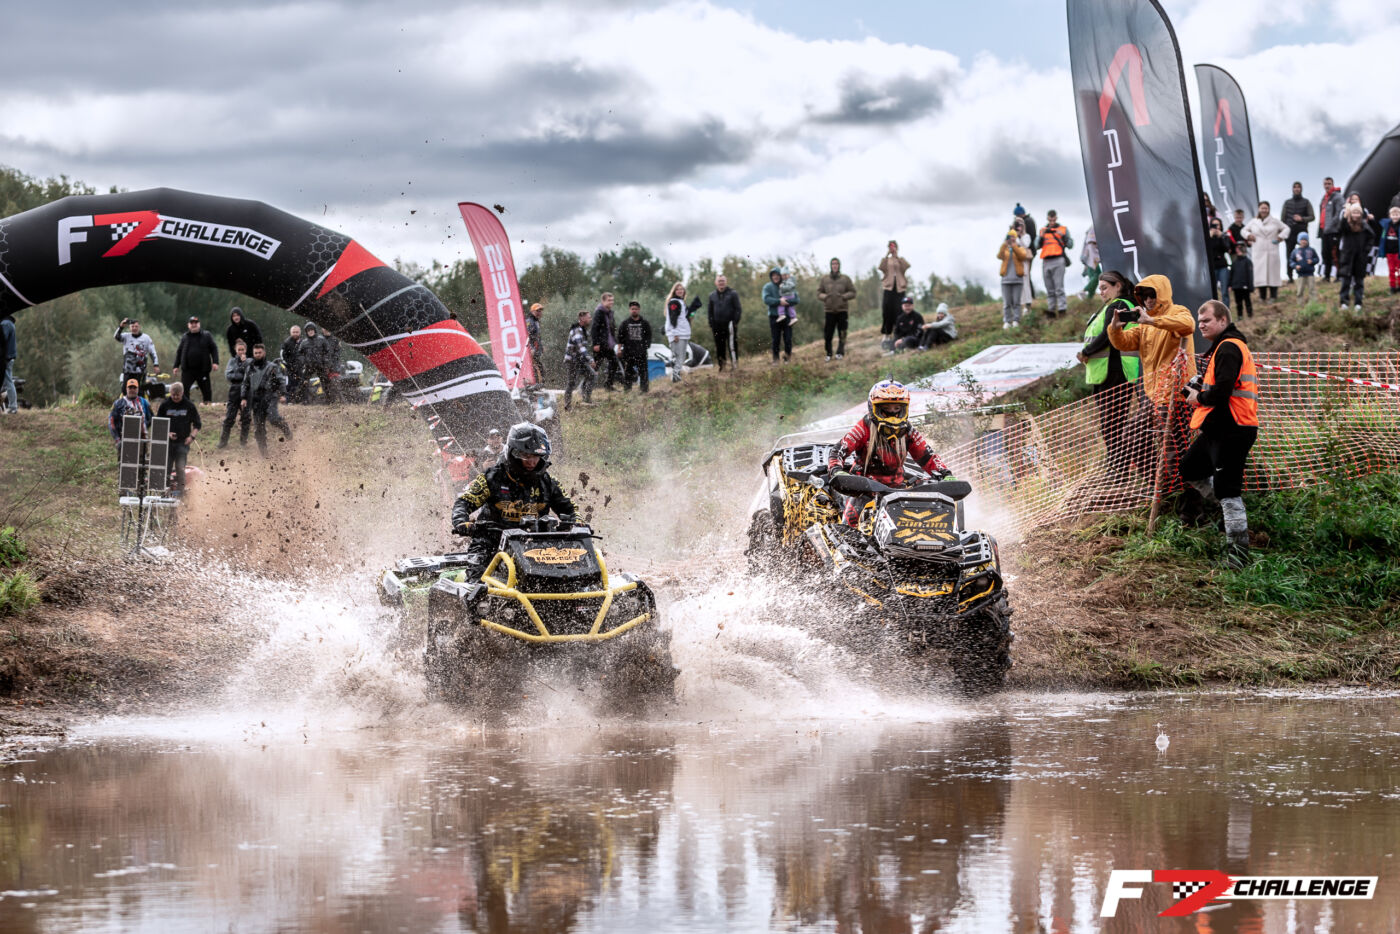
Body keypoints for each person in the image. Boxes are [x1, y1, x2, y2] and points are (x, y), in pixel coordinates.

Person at [1182, 300, 1258, 569]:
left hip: (1233, 428)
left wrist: (1198, 397)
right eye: (1199, 321)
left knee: (1228, 490)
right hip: (1219, 428)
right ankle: (1231, 513)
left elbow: (1223, 390)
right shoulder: (1222, 348)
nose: (1201, 325)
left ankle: (1238, 557)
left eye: (1207, 321)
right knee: (1190, 468)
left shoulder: (1228, 347)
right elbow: (1221, 385)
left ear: (1223, 321)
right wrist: (1200, 389)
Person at [450, 422, 578, 565]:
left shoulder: (548, 482)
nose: (532, 462)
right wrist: (461, 522)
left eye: (536, 456)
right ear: (513, 453)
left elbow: (570, 509)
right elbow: (464, 502)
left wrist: (578, 524)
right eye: (526, 456)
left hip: (538, 546)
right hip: (491, 543)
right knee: (477, 572)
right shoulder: (491, 478)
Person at [826, 380, 950, 527]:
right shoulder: (864, 426)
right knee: (849, 524)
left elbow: (928, 457)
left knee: (923, 516)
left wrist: (945, 473)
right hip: (864, 489)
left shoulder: (908, 430)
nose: (892, 413)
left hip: (897, 489)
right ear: (874, 408)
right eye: (886, 408)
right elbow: (838, 450)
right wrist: (836, 470)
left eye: (897, 408)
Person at [1077, 270, 1140, 472]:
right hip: (1110, 373)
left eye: (1105, 288)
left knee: (1112, 425)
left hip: (1114, 373)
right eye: (1100, 289)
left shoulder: (1118, 305)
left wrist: (1086, 351)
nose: (1101, 292)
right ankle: (1117, 467)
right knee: (1113, 425)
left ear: (1117, 286)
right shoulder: (1117, 305)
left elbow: (1107, 335)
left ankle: (1118, 470)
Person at [1106, 274, 1197, 407]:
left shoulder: (1177, 311)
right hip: (1154, 395)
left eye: (1152, 295)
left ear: (1162, 294)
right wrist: (1114, 328)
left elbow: (1189, 325)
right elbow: (1124, 343)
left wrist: (1152, 320)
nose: (1148, 300)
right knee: (1137, 422)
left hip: (1176, 395)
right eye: (1143, 296)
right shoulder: (1144, 324)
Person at [239, 344, 291, 455]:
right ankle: (264, 454)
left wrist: (282, 394)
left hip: (270, 396)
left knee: (273, 418)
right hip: (256, 399)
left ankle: (285, 428)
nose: (258, 355)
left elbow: (281, 380)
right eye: (256, 353)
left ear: (264, 353)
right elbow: (245, 383)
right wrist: (243, 398)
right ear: (253, 354)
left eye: (260, 353)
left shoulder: (272, 366)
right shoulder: (250, 368)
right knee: (258, 429)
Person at [156, 382, 201, 496]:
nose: (175, 397)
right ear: (170, 393)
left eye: (178, 395)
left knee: (180, 468)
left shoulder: (189, 405)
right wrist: (167, 433)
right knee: (166, 468)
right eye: (173, 395)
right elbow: (158, 424)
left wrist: (191, 437)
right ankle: (164, 491)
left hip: (183, 442)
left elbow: (197, 424)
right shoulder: (165, 405)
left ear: (182, 393)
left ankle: (181, 492)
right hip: (168, 443)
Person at [1242, 201, 1287, 302]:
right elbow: (1243, 231)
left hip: (1272, 250)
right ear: (1259, 209)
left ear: (1269, 209)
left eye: (1266, 208)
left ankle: (1273, 296)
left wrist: (1280, 237)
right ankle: (1262, 297)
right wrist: (1249, 235)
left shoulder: (1275, 221)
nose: (1264, 210)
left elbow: (1286, 229)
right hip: (1258, 251)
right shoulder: (1254, 222)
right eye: (1262, 208)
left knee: (1273, 274)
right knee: (1260, 274)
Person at [1337, 205, 1376, 312]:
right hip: (1347, 257)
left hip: (1360, 258)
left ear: (1361, 214)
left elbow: (1372, 237)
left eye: (1357, 213)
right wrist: (1345, 216)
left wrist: (1366, 250)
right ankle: (1344, 302)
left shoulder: (1364, 225)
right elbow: (1340, 229)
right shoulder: (1347, 225)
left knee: (1359, 281)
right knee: (1346, 281)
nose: (1356, 215)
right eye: (1354, 212)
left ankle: (1358, 303)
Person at [172, 316, 220, 404]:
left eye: (196, 323)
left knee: (206, 391)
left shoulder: (206, 335)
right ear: (188, 325)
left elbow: (214, 349)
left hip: (203, 370)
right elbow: (179, 352)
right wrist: (176, 366)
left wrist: (215, 362)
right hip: (188, 370)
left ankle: (208, 406)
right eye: (192, 323)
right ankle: (186, 406)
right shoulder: (185, 337)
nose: (194, 325)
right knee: (184, 390)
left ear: (199, 324)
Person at [817, 258, 856, 362]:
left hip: (842, 310)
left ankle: (840, 352)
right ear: (831, 266)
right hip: (829, 311)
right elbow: (818, 293)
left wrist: (844, 297)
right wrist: (825, 297)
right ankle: (829, 353)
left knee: (842, 333)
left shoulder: (845, 279)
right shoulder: (825, 279)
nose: (835, 265)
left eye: (836, 264)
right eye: (833, 264)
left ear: (839, 265)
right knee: (828, 334)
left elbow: (853, 292)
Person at [1036, 209, 1073, 318]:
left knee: (1059, 287)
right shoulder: (1043, 230)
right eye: (1050, 218)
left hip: (1058, 260)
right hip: (1046, 261)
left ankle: (1062, 310)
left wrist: (1063, 236)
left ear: (1056, 217)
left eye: (1053, 218)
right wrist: (1041, 237)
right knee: (1049, 288)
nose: (1052, 220)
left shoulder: (1063, 229)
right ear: (1047, 218)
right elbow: (1036, 245)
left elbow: (1070, 244)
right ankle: (1051, 310)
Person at [217, 339, 252, 448]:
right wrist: (240, 374)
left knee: (246, 418)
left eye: (242, 349)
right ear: (236, 350)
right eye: (239, 350)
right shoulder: (232, 361)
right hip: (234, 391)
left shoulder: (250, 361)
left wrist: (242, 367)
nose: (241, 352)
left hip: (247, 392)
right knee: (229, 417)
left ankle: (243, 443)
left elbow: (250, 375)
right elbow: (228, 375)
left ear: (246, 350)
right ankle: (223, 442)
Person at [878, 240, 910, 352]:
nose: (893, 248)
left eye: (894, 246)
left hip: (899, 288)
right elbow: (881, 267)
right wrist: (887, 254)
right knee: (887, 311)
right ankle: (886, 334)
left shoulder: (900, 260)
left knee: (899, 311)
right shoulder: (886, 260)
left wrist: (897, 256)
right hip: (889, 288)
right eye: (891, 247)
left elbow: (906, 267)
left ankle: (899, 333)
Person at [997, 223, 1031, 329]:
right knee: (1007, 303)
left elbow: (1022, 256)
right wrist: (1005, 244)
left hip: (1017, 279)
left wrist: (1014, 245)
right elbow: (999, 256)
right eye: (1010, 237)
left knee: (1016, 302)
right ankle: (1007, 321)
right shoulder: (1005, 249)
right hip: (1005, 280)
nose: (1011, 239)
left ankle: (1016, 320)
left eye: (1013, 237)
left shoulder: (1020, 248)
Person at [663, 282, 698, 382]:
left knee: (681, 357)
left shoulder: (681, 302)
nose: (680, 291)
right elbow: (673, 318)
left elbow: (684, 317)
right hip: (677, 334)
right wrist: (674, 334)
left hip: (684, 333)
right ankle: (675, 378)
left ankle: (676, 377)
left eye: (681, 289)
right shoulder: (674, 302)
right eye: (678, 289)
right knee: (678, 356)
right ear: (674, 291)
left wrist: (692, 314)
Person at [706, 276, 742, 371]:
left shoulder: (733, 294)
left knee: (732, 345)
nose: (721, 283)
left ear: (726, 282)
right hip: (717, 326)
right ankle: (722, 366)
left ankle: (735, 365)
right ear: (716, 283)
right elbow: (710, 311)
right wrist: (711, 323)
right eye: (719, 281)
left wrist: (735, 322)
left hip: (730, 325)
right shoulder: (712, 295)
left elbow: (738, 309)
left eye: (722, 281)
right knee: (719, 346)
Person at [114, 318, 159, 395]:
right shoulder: (126, 336)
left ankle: (141, 402)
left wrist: (156, 365)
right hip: (128, 370)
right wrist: (121, 327)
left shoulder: (146, 338)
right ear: (129, 327)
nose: (134, 328)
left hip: (140, 371)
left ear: (139, 327)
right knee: (125, 390)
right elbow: (116, 337)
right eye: (132, 326)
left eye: (136, 326)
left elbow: (152, 352)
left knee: (139, 391)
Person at [762, 267, 798, 363]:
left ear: (781, 276)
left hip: (787, 317)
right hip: (774, 317)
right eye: (773, 275)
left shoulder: (788, 285)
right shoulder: (767, 287)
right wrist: (778, 301)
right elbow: (766, 299)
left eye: (777, 275)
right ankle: (776, 360)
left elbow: (796, 299)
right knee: (776, 339)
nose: (775, 277)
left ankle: (787, 359)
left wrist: (786, 302)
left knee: (788, 338)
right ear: (771, 276)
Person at [615, 300, 653, 392]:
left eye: (636, 309)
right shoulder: (625, 323)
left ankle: (644, 390)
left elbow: (649, 336)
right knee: (628, 372)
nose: (634, 310)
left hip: (641, 352)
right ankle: (627, 390)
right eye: (632, 309)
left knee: (643, 372)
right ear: (630, 310)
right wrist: (619, 349)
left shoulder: (645, 323)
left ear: (639, 310)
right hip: (628, 352)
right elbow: (620, 337)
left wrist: (646, 346)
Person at [562, 310, 596, 410]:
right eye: (588, 317)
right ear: (582, 318)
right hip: (572, 361)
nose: (590, 319)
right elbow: (580, 348)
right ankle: (567, 406)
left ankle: (586, 399)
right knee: (571, 383)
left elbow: (584, 348)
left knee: (592, 375)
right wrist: (590, 360)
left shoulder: (583, 330)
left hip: (580, 360)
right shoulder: (576, 330)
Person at [1281, 182, 1315, 281]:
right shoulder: (1287, 203)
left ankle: (1306, 275)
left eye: (1298, 187)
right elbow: (1282, 219)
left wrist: (1302, 219)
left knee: (1306, 253)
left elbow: (1312, 217)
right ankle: (1290, 277)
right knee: (1289, 254)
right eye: (1295, 187)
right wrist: (1285, 230)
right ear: (1292, 189)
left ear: (1301, 189)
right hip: (1290, 232)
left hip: (1302, 232)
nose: (1296, 189)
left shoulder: (1306, 202)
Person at [590, 292, 624, 389]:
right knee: (595, 366)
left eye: (612, 300)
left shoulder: (610, 313)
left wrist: (616, 341)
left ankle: (608, 385)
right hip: (600, 345)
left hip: (608, 345)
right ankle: (585, 387)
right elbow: (594, 329)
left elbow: (612, 329)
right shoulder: (599, 312)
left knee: (614, 363)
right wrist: (596, 343)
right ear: (603, 301)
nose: (611, 302)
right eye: (609, 300)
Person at [108, 378, 152, 449]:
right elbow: (111, 422)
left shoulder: (144, 402)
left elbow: (151, 418)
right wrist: (117, 439)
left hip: (142, 440)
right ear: (126, 389)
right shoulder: (118, 403)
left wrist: (144, 426)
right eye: (130, 387)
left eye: (134, 388)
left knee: (142, 456)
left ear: (138, 389)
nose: (132, 390)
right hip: (124, 441)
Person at [1319, 177, 1344, 281]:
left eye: (1329, 183)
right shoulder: (1324, 198)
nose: (1327, 186)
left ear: (1333, 184)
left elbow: (1339, 213)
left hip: (1334, 231)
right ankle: (1327, 276)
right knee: (1325, 254)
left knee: (1335, 254)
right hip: (1324, 231)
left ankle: (1339, 276)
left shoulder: (1337, 197)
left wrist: (1330, 226)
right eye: (1325, 184)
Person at [296, 323, 328, 402]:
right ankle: (302, 400)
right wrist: (303, 361)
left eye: (311, 330)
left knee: (325, 382)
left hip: (320, 365)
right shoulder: (304, 342)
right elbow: (299, 354)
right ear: (306, 332)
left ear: (315, 330)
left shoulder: (322, 339)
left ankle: (329, 400)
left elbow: (327, 351)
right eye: (308, 330)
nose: (310, 332)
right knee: (303, 382)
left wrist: (325, 361)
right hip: (308, 366)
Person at [1206, 218, 1233, 307]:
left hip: (1222, 266)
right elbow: (1206, 250)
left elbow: (1227, 249)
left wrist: (1220, 237)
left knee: (1224, 291)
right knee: (1212, 291)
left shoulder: (1223, 236)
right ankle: (1213, 310)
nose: (1216, 227)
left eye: (1218, 225)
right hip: (1212, 266)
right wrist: (1209, 237)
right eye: (1214, 225)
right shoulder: (1207, 236)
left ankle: (1226, 310)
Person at [1289, 234, 1320, 303]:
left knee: (1312, 289)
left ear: (1308, 241)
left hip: (1310, 274)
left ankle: (1313, 303)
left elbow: (1317, 259)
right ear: (1299, 241)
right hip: (1300, 274)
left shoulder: (1311, 250)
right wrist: (1295, 266)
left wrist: (1312, 261)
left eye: (1305, 240)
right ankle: (1300, 303)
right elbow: (1291, 261)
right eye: (1302, 240)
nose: (1303, 241)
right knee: (1300, 290)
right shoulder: (1295, 251)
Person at [1228, 241, 1255, 318]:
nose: (1238, 249)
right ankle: (1240, 315)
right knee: (1238, 302)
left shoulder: (1248, 262)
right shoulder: (1234, 262)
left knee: (1247, 300)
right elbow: (1231, 274)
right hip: (1236, 286)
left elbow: (1250, 275)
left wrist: (1250, 287)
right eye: (1237, 247)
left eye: (1240, 247)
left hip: (1245, 286)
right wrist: (1230, 285)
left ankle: (1250, 314)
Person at [1380, 206, 1400, 294]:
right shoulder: (1386, 225)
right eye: (1393, 215)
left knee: (1399, 270)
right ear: (1390, 215)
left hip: (1398, 252)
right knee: (1391, 270)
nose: (1395, 217)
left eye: (1397, 215)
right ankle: (1392, 287)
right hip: (1389, 252)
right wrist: (1382, 251)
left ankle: (1399, 286)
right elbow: (1382, 238)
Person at [280, 325, 302, 401]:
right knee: (290, 385)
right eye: (293, 332)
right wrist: (289, 365)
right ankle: (289, 400)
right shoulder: (286, 342)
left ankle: (301, 400)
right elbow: (282, 355)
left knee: (302, 384)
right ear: (290, 332)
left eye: (297, 332)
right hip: (289, 368)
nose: (295, 334)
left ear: (300, 332)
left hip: (301, 367)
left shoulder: (303, 342)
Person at [525, 302, 546, 382]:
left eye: (540, 311)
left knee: (540, 367)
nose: (539, 312)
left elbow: (537, 337)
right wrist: (531, 348)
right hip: (531, 349)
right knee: (536, 367)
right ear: (532, 311)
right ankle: (536, 383)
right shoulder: (529, 321)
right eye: (537, 311)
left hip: (536, 348)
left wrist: (541, 347)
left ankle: (539, 383)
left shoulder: (536, 321)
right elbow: (528, 336)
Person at [1079, 225, 1101, 298]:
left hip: (1089, 258)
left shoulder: (1093, 228)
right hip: (1091, 258)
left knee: (1094, 278)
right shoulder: (1094, 228)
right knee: (1097, 276)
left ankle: (1089, 299)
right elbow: (1091, 245)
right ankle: (1084, 291)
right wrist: (1096, 258)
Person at [0, 311, 14, 415]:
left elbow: (2, 340)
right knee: (8, 382)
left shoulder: (5, 324)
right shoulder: (9, 323)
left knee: (8, 382)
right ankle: (12, 406)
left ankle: (13, 407)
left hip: (5, 357)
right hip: (8, 356)